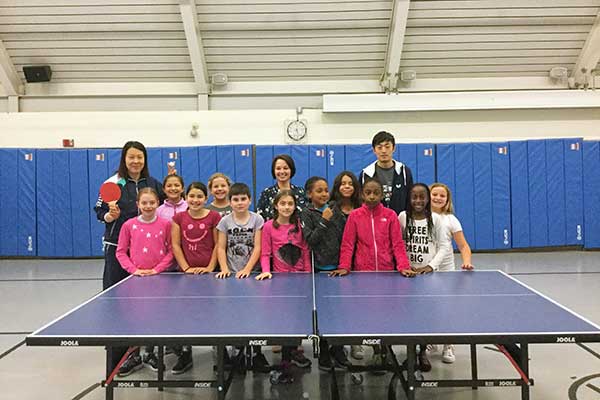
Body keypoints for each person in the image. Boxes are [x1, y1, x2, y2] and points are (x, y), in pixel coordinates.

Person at [93, 141, 165, 375]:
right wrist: (109, 216)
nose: (136, 161)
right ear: (124, 159)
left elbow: (163, 208)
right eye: (131, 157)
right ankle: (123, 355)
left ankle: (151, 352)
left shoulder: (153, 183)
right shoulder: (112, 183)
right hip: (118, 249)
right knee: (118, 304)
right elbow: (98, 212)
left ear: (145, 160)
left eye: (140, 157)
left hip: (148, 251)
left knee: (151, 305)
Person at [338, 179, 414, 371]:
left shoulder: (390, 216)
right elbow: (348, 244)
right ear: (362, 194)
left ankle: (383, 351)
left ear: (382, 195)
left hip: (387, 274)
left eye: (376, 193)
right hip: (363, 274)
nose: (372, 196)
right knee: (366, 314)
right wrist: (344, 267)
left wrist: (403, 266)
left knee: (385, 315)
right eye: (368, 192)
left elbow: (397, 244)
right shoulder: (355, 216)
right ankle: (370, 345)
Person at [115, 187, 174, 376]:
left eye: (152, 202)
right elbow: (121, 251)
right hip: (137, 281)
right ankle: (135, 354)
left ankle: (151, 353)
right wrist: (135, 270)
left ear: (158, 204)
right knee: (137, 319)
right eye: (144, 203)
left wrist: (157, 269)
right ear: (138, 205)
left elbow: (172, 251)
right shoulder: (128, 225)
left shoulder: (166, 224)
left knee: (158, 318)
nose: (148, 206)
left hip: (160, 279)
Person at [256, 190, 312, 382]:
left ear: (295, 206)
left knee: (297, 321)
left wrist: (307, 273)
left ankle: (293, 354)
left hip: (299, 280)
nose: (287, 207)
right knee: (283, 322)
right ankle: (285, 361)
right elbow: (265, 253)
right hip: (279, 281)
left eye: (290, 204)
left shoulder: (299, 226)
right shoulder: (268, 226)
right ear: (276, 206)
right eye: (283, 204)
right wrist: (265, 271)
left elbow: (305, 250)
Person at [215, 182, 270, 372]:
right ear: (230, 202)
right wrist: (224, 268)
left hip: (252, 275)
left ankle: (257, 353)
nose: (239, 203)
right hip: (230, 276)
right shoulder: (224, 221)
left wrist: (247, 268)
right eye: (235, 199)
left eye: (243, 199)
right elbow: (221, 247)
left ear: (250, 200)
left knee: (254, 315)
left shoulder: (257, 219)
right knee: (231, 315)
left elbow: (258, 247)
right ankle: (233, 353)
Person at [398, 183, 452, 371]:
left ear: (428, 199)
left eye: (422, 197)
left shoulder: (436, 219)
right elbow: (398, 243)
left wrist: (430, 266)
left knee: (425, 316)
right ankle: (411, 352)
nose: (418, 201)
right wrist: (405, 265)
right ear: (409, 199)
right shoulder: (403, 217)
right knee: (409, 316)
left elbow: (445, 247)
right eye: (415, 197)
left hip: (428, 277)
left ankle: (422, 352)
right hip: (407, 275)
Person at [169, 182, 221, 374]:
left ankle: (219, 352)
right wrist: (186, 267)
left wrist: (209, 267)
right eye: (192, 196)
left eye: (200, 196)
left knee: (213, 314)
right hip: (188, 275)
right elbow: (175, 245)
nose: (195, 200)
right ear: (186, 197)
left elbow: (217, 244)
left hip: (210, 273)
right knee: (187, 316)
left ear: (205, 199)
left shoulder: (214, 216)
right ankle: (185, 353)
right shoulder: (178, 217)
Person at [300, 176, 351, 370]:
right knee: (323, 316)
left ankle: (338, 350)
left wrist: (345, 264)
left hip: (338, 271)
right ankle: (323, 351)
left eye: (326, 190)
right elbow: (311, 239)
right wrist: (323, 220)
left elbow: (344, 238)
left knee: (340, 314)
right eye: (319, 190)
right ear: (309, 194)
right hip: (319, 271)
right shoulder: (307, 213)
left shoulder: (336, 211)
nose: (324, 194)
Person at [428, 182, 475, 365]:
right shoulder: (419, 217)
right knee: (429, 309)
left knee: (447, 310)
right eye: (435, 194)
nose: (438, 198)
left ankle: (449, 344)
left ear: (447, 200)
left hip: (446, 272)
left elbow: (463, 246)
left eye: (442, 195)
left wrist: (467, 262)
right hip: (426, 272)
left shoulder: (451, 220)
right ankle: (430, 341)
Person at [328, 171, 366, 361]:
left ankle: (357, 342)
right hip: (338, 263)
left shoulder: (363, 207)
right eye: (342, 183)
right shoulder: (331, 208)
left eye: (350, 183)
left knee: (359, 306)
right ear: (337, 187)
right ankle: (338, 345)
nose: (346, 186)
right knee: (339, 308)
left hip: (359, 262)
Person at [359, 131, 413, 215]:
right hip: (374, 221)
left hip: (399, 221)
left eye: (387, 147)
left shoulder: (404, 171)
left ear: (393, 148)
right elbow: (361, 201)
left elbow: (410, 198)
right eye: (379, 147)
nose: (384, 151)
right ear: (374, 150)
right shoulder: (366, 173)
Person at [257, 154, 308, 220]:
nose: (282, 171)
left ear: (291, 170)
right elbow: (259, 219)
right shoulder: (266, 193)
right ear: (274, 171)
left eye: (285, 168)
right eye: (278, 168)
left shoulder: (301, 193)